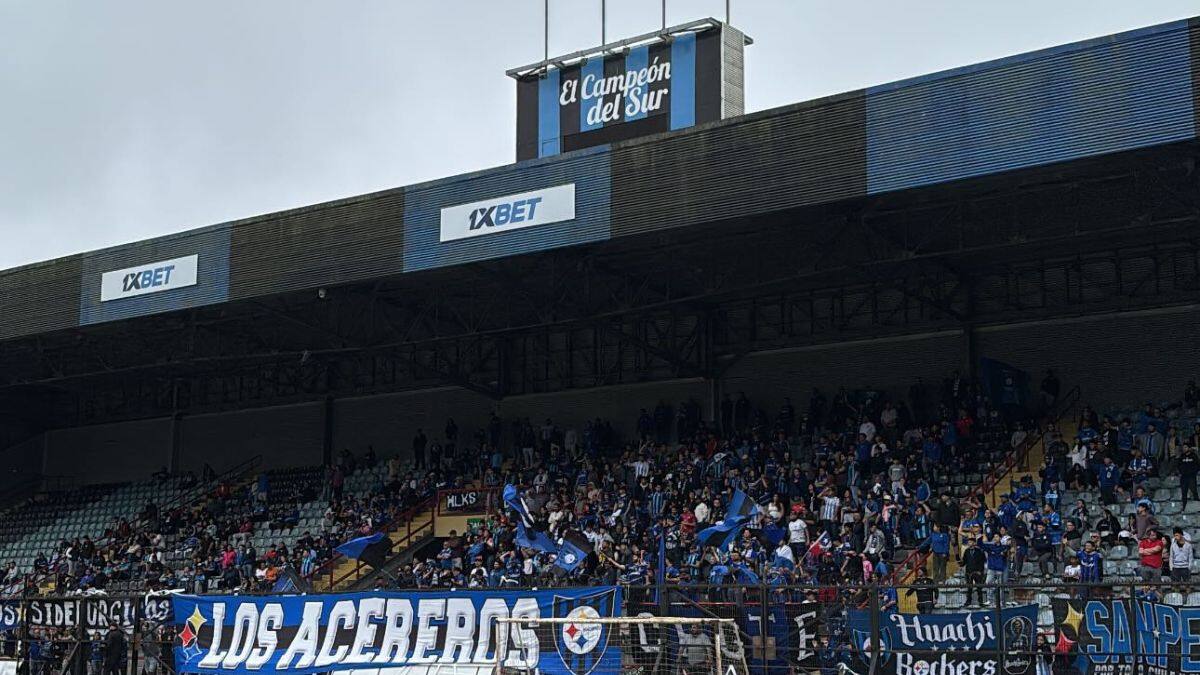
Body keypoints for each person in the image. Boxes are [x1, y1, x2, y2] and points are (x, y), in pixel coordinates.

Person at [961, 538, 987, 608]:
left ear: (974, 543)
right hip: (969, 572)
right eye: (968, 542)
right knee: (969, 587)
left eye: (971, 542)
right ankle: (968, 601)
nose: (969, 543)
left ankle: (980, 602)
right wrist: (960, 563)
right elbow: (964, 561)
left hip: (977, 572)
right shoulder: (966, 551)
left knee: (979, 587)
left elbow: (982, 562)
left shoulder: (979, 551)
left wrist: (980, 571)